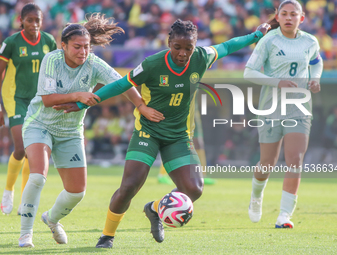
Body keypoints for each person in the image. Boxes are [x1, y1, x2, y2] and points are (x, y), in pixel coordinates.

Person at [55, 19, 270, 248]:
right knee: (129, 186)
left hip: (178, 136)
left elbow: (227, 46)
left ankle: (155, 208)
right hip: (148, 132)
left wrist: (255, 36)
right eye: (177, 47)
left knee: (194, 189)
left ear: (195, 47)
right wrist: (86, 103)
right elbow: (122, 85)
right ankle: (107, 236)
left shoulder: (201, 57)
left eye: (188, 48)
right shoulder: (152, 64)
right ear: (169, 42)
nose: (182, 53)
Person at [18, 13, 164, 248]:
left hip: (71, 132)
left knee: (77, 192)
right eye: (77, 47)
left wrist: (141, 106)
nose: (83, 52)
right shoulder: (52, 60)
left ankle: (52, 219)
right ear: (63, 45)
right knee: (37, 177)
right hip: (39, 124)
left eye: (86, 47)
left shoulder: (94, 64)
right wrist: (77, 95)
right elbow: (47, 100)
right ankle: (26, 234)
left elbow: (123, 83)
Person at [244, 0, 323, 228]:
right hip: (270, 108)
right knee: (267, 163)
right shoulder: (268, 40)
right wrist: (277, 82)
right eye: (284, 14)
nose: (289, 18)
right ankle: (256, 197)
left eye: (293, 14)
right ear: (277, 17)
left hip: (299, 108)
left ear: (302, 18)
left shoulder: (310, 41)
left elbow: (317, 62)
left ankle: (284, 216)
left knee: (295, 160)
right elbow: (248, 72)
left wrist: (315, 78)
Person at [0, 3, 57, 216]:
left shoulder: (49, 41)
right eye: (30, 20)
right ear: (21, 21)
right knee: (21, 147)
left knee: (32, 152)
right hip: (15, 98)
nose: (34, 24)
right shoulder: (11, 43)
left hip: (38, 101)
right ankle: (8, 191)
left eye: (38, 20)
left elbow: (56, 70)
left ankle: (25, 200)